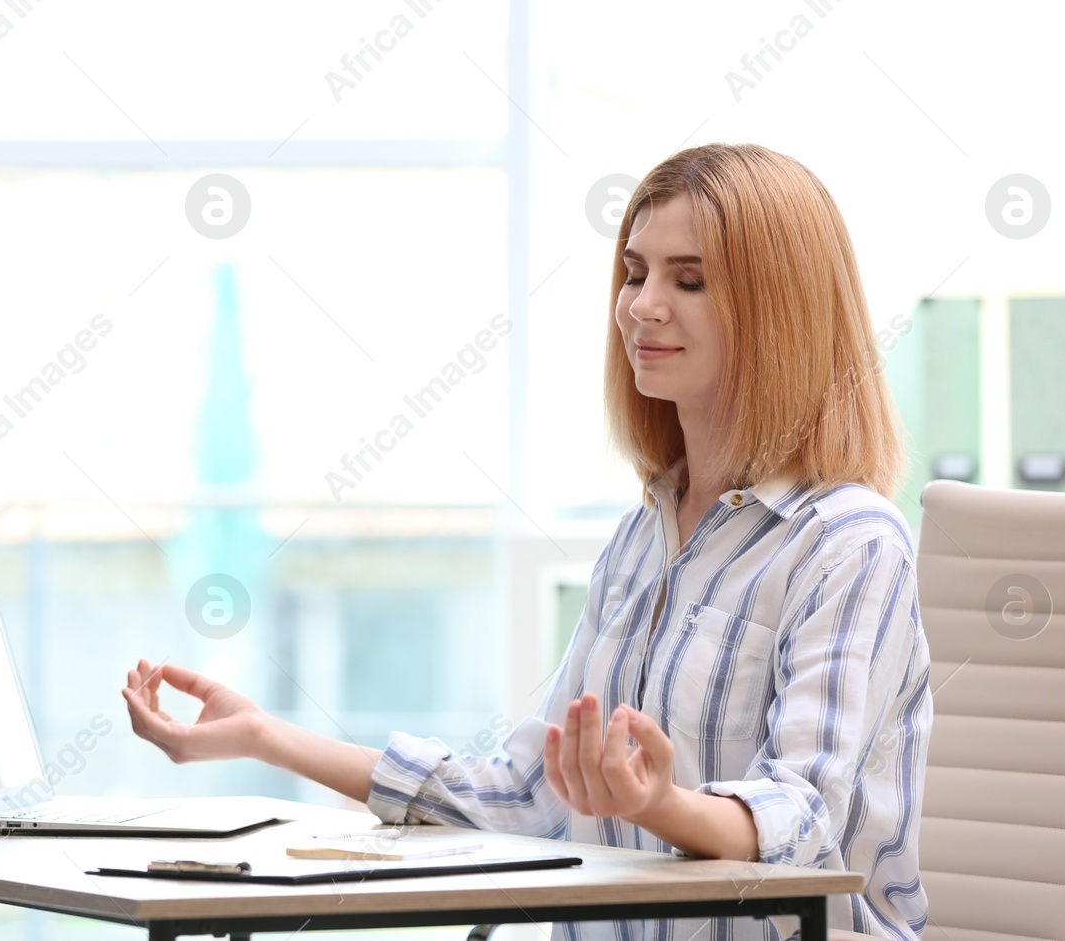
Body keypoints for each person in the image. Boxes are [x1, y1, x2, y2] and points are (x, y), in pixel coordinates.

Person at [122, 143, 931, 941]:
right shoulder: (641, 539)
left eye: (688, 280)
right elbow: (526, 793)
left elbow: (803, 817)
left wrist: (659, 804)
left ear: (781, 314)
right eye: (635, 271)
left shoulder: (848, 544)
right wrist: (265, 735)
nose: (643, 304)